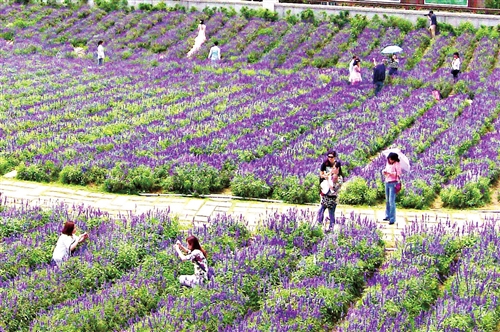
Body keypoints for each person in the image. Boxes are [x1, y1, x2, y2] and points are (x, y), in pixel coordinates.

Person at [317, 161, 343, 231]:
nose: (332, 169)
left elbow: (333, 188)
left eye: (334, 168)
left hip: (332, 198)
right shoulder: (331, 175)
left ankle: (331, 229)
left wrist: (328, 179)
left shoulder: (340, 178)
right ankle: (318, 227)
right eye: (332, 167)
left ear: (338, 168)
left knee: (331, 214)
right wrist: (325, 176)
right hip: (326, 196)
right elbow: (323, 176)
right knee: (320, 211)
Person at [382, 152, 402, 225]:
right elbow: (386, 170)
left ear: (394, 159)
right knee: (387, 200)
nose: (389, 160)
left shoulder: (397, 164)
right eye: (389, 159)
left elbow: (399, 174)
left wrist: (391, 173)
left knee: (391, 201)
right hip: (387, 182)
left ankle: (392, 219)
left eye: (391, 159)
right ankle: (387, 216)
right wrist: (384, 172)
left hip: (393, 183)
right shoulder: (388, 163)